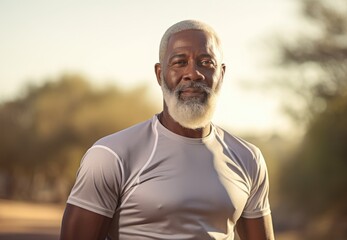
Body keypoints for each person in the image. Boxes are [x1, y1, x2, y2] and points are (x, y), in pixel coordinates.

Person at [60, 19, 275, 240]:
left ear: (221, 74)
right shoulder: (111, 155)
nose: (193, 74)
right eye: (180, 62)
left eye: (206, 62)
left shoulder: (248, 159)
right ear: (159, 73)